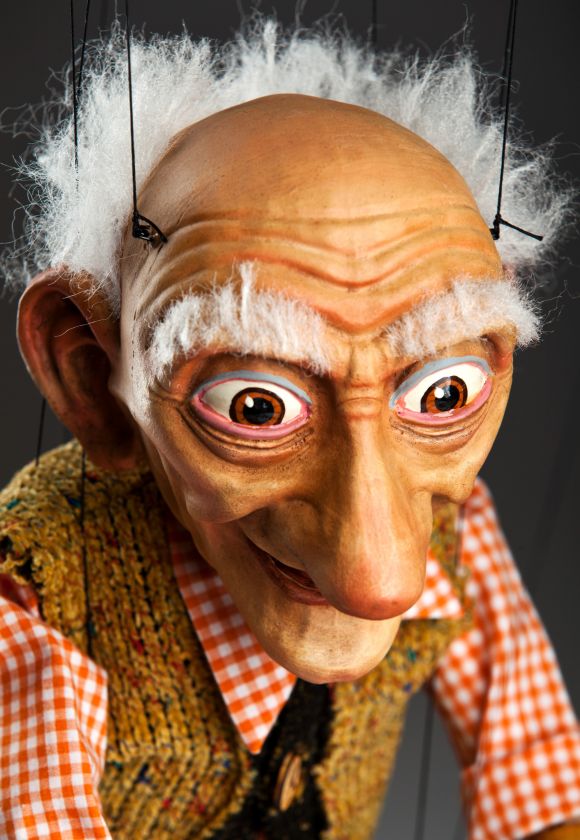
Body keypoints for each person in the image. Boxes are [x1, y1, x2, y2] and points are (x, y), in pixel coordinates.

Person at [1, 21, 579, 839]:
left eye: (444, 393)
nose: (378, 578)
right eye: (256, 409)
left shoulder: (459, 536)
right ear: (95, 374)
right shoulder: (39, 589)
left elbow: (546, 787)